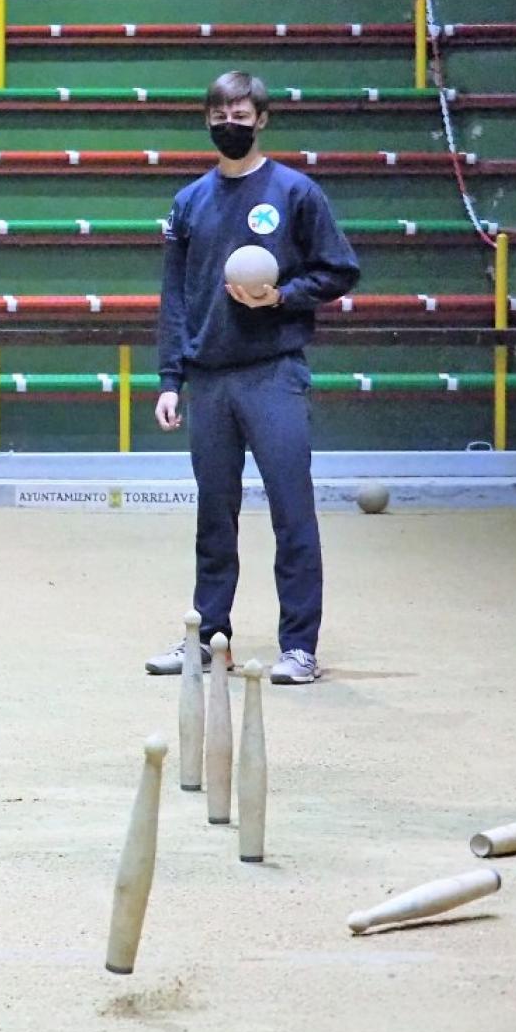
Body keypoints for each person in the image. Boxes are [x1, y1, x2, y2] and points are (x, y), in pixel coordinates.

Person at [148, 70, 361, 686]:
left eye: (241, 116)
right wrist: (170, 379)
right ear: (207, 120)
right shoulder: (189, 202)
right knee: (214, 518)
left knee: (292, 513)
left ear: (262, 120)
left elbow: (339, 269)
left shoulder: (296, 193)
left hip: (274, 375)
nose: (230, 125)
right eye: (220, 116)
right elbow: (175, 299)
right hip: (209, 380)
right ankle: (209, 639)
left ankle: (299, 647)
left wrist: (283, 296)